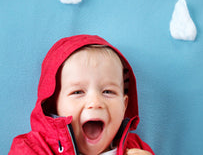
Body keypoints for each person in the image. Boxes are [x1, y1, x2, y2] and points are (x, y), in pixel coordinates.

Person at [9, 34, 154, 155]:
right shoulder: (33, 149)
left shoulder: (136, 148)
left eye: (108, 92)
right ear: (53, 104)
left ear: (124, 105)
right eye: (77, 92)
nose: (95, 102)